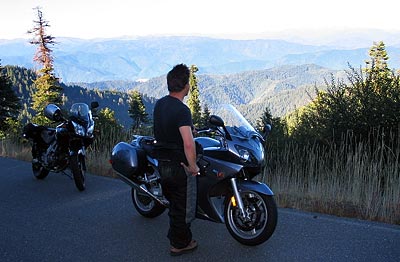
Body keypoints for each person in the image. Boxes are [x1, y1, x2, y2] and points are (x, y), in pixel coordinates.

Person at [153, 63, 200, 256]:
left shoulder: (161, 104)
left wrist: (190, 128)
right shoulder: (182, 110)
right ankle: (179, 244)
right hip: (178, 164)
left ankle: (182, 238)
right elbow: (188, 144)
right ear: (186, 86)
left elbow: (167, 128)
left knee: (174, 203)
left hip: (162, 163)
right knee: (183, 206)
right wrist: (193, 165)